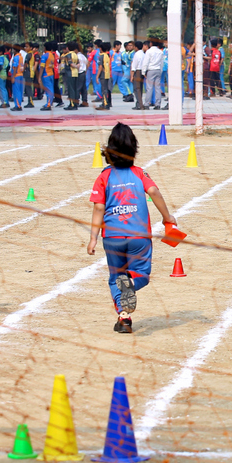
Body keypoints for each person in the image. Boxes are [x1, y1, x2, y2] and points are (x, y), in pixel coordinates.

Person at [87, 123, 176, 334]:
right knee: (141, 274)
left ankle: (124, 318)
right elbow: (153, 190)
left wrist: (93, 238)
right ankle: (131, 287)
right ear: (133, 149)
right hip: (139, 236)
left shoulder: (104, 177)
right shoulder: (139, 173)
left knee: (115, 277)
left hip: (112, 237)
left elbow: (99, 207)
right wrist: (167, 217)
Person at [144, 40, 164, 109]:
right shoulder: (160, 52)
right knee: (157, 87)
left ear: (151, 43)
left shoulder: (149, 51)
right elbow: (162, 63)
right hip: (158, 69)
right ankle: (158, 104)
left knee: (149, 87)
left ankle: (147, 104)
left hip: (151, 70)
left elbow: (146, 62)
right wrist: (160, 71)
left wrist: (143, 71)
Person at [96, 41, 113, 110]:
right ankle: (105, 103)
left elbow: (100, 67)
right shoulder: (107, 55)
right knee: (106, 89)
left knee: (104, 90)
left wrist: (97, 76)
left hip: (103, 75)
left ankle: (105, 104)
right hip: (107, 74)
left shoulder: (101, 56)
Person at [38, 42, 56, 111]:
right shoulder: (52, 55)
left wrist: (39, 77)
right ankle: (49, 103)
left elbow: (42, 67)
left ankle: (48, 104)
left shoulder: (44, 56)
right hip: (51, 74)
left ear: (45, 48)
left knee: (48, 90)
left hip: (46, 74)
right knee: (51, 89)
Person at [8, 45, 25, 111]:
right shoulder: (21, 57)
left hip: (16, 75)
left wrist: (13, 77)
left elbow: (15, 67)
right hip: (21, 74)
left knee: (16, 91)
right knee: (20, 91)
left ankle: (17, 105)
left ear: (14, 50)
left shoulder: (16, 57)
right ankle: (19, 104)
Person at [130, 41, 146, 109]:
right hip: (142, 71)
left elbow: (134, 66)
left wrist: (131, 76)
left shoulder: (136, 54)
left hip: (137, 71)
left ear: (136, 47)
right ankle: (139, 103)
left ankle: (140, 104)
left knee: (137, 89)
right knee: (140, 88)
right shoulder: (143, 54)